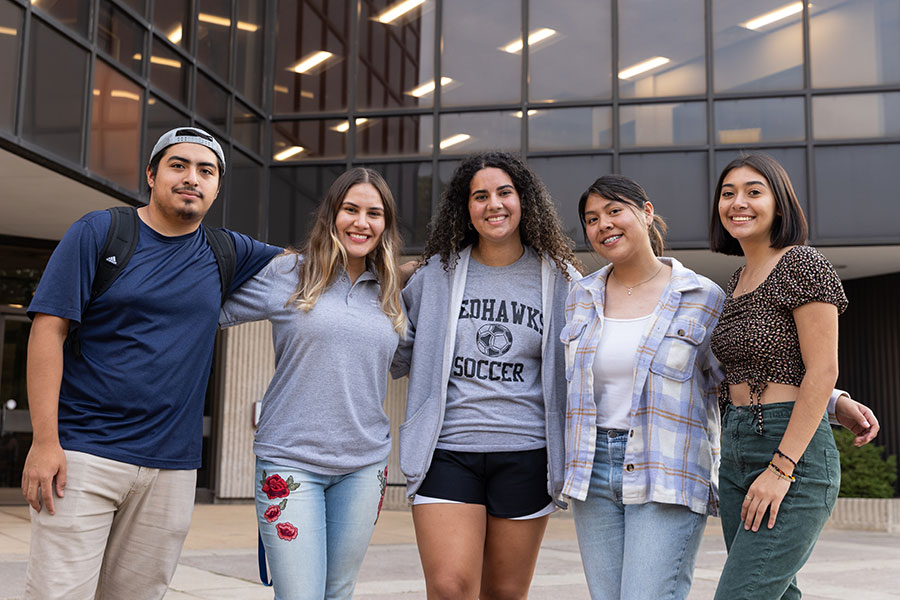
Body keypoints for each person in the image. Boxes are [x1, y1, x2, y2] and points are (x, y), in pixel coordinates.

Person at [563, 174, 880, 600]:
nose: (603, 224)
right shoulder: (580, 296)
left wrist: (833, 402)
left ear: (647, 212)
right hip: (600, 469)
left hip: (670, 466)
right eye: (591, 218)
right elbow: (741, 372)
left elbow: (789, 367)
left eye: (615, 210)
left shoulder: (704, 295)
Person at [22, 127, 280, 600]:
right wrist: (44, 442)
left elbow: (316, 267)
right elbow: (48, 332)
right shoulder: (100, 231)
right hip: (84, 457)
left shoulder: (227, 251)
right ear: (151, 174)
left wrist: (411, 269)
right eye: (178, 165)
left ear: (217, 187)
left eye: (205, 171)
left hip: (172, 470)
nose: (191, 178)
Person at [391, 151, 580, 599]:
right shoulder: (437, 274)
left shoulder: (561, 280)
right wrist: (382, 282)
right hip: (448, 451)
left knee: (504, 594)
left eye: (504, 193)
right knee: (450, 587)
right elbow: (395, 353)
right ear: (466, 208)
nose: (493, 204)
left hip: (527, 454)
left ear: (523, 201)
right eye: (480, 196)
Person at [219, 168, 405, 599]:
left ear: (386, 225)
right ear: (331, 215)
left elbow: (421, 355)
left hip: (364, 465)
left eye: (374, 214)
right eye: (351, 210)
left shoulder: (393, 290)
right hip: (290, 459)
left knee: (337, 593)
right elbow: (203, 309)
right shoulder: (288, 272)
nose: (362, 222)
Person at [708, 153, 863, 599]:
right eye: (728, 193)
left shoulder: (802, 264)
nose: (738, 202)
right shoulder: (737, 279)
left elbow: (823, 367)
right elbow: (757, 366)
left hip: (790, 451)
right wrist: (836, 401)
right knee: (777, 593)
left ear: (780, 203)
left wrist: (782, 467)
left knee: (743, 593)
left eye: (754, 191)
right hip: (735, 447)